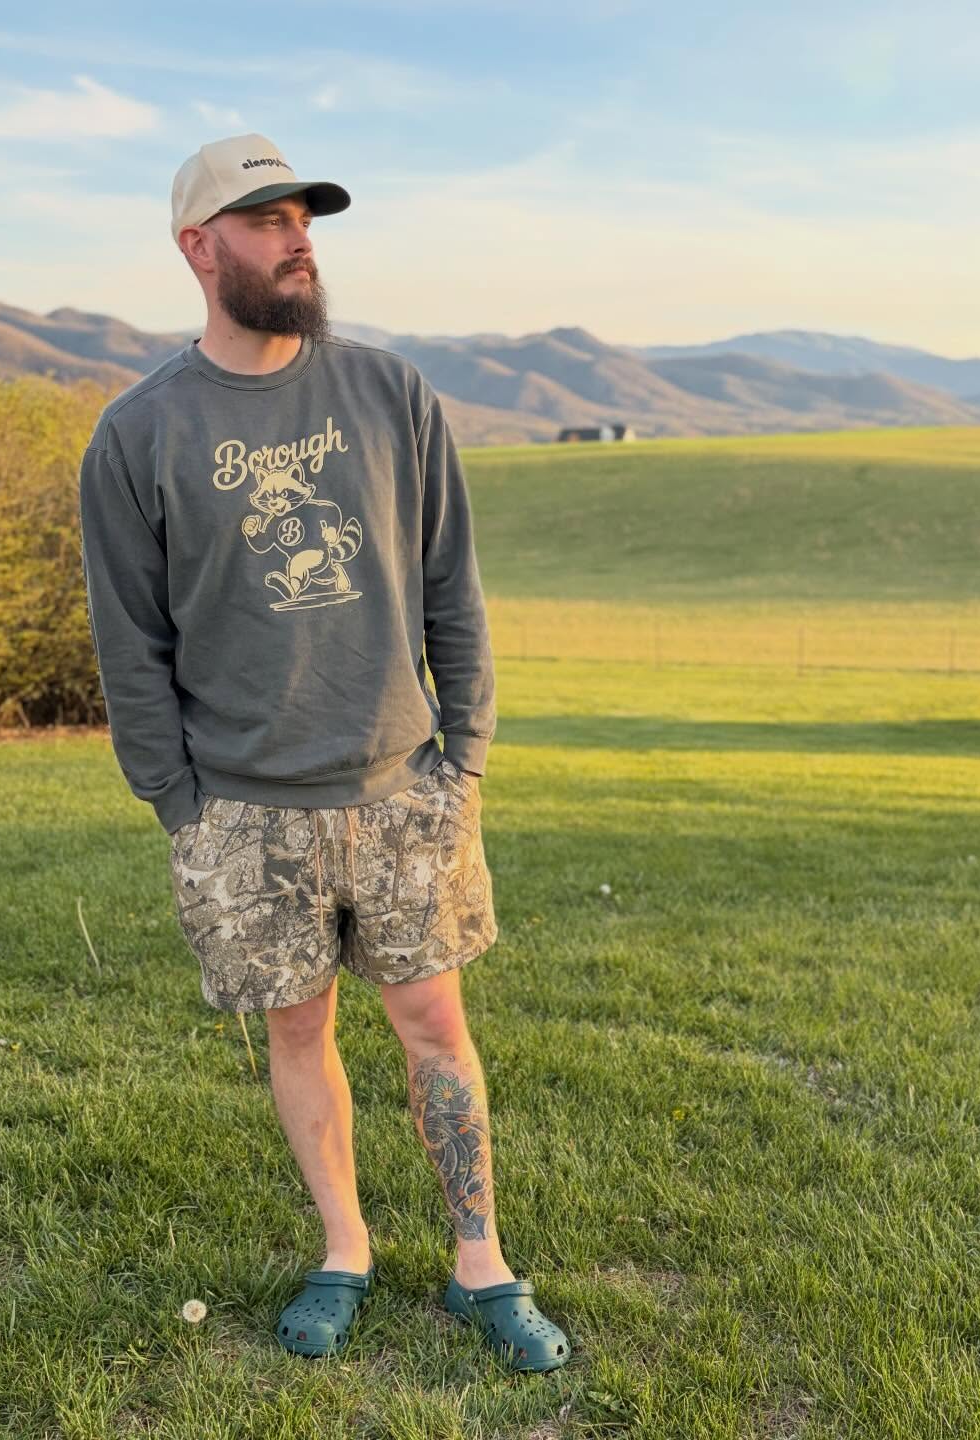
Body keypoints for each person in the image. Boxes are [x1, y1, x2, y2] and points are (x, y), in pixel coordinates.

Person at [76, 133, 569, 1373]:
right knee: (299, 1035)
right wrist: (180, 807)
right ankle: (344, 1249)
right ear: (199, 247)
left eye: (304, 216)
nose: (297, 238)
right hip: (240, 809)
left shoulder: (391, 393)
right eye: (263, 219)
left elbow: (453, 586)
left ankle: (480, 1266)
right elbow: (129, 646)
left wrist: (465, 762)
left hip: (402, 788)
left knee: (433, 1026)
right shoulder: (137, 435)